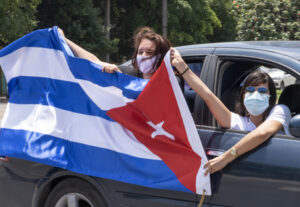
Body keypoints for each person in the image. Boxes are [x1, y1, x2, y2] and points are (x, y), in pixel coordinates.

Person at [170, 48, 291, 176]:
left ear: (271, 96)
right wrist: (181, 66)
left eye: (262, 91)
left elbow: (263, 133)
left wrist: (225, 158)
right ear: (243, 95)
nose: (255, 95)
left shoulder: (281, 110)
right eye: (250, 90)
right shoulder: (239, 122)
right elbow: (207, 95)